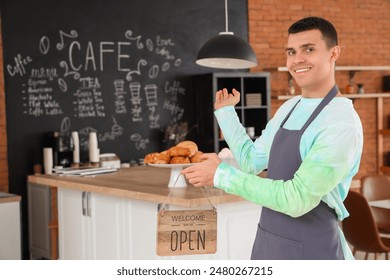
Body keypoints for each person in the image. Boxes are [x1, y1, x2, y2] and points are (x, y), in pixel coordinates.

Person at [182, 16, 363, 260]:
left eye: (309, 49)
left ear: (333, 53)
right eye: (291, 51)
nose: (297, 59)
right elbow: (251, 161)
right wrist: (226, 114)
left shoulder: (341, 121)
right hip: (270, 241)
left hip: (312, 251)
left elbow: (297, 199)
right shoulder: (290, 107)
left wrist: (221, 175)